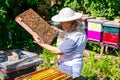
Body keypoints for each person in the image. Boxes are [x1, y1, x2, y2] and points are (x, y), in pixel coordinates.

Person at [32, 7, 87, 78]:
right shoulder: (76, 26)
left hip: (69, 66)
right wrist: (58, 31)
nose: (60, 23)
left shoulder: (75, 37)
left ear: (69, 22)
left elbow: (58, 51)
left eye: (62, 22)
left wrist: (41, 43)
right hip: (67, 63)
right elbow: (68, 34)